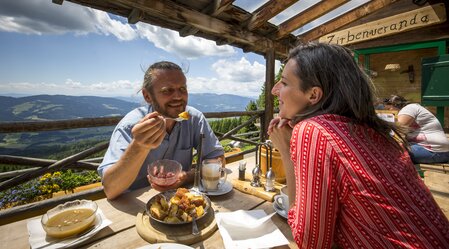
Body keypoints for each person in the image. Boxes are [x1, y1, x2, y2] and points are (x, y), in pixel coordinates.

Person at [267, 42, 449, 248]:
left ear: (313, 95)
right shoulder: (367, 130)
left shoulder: (314, 130)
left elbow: (310, 242)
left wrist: (286, 151)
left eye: (283, 82)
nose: (274, 90)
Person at [98, 61, 224, 200]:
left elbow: (218, 160)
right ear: (147, 96)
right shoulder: (130, 125)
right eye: (167, 90)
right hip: (134, 204)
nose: (178, 96)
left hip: (180, 200)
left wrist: (186, 177)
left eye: (182, 89)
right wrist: (139, 146)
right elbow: (110, 189)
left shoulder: (193, 118)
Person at [384, 95, 449, 164]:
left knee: (389, 152)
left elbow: (397, 131)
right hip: (440, 152)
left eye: (388, 109)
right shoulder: (413, 108)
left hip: (434, 152)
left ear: (395, 105)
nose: (388, 112)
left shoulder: (408, 109)